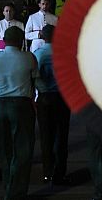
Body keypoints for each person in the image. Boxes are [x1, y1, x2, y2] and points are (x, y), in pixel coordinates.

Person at [0, 26, 38, 200]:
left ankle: (8, 185)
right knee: (22, 150)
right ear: (21, 41)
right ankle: (17, 192)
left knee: (5, 149)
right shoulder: (28, 57)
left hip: (1, 106)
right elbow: (35, 77)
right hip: (22, 105)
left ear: (4, 40)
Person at [33, 24, 71, 185]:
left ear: (42, 36)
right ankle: (60, 172)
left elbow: (34, 76)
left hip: (44, 97)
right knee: (61, 136)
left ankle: (47, 172)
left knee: (45, 136)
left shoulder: (37, 54)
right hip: (61, 97)